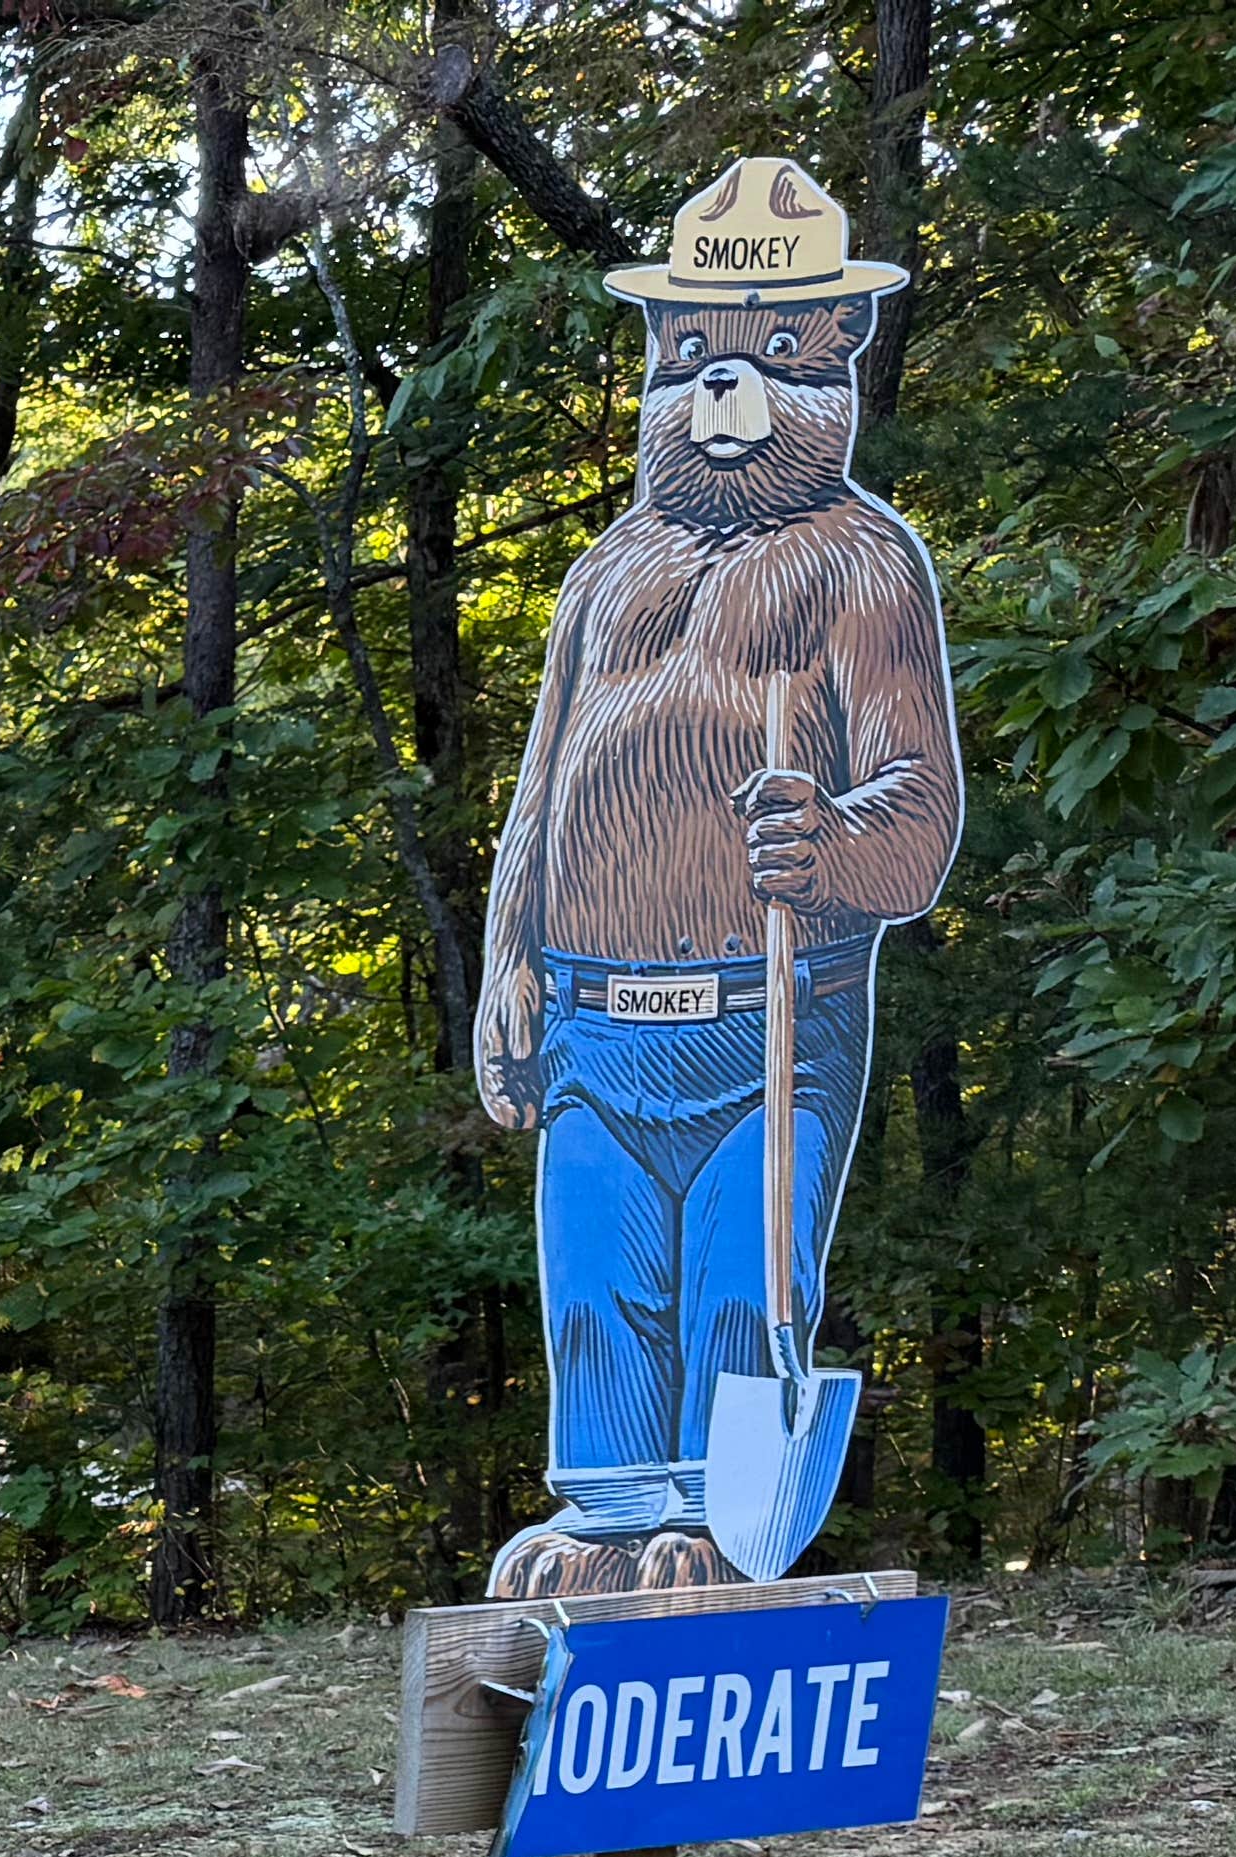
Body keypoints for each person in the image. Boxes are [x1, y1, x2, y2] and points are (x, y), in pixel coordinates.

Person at [473, 159, 963, 1595]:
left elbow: (920, 816)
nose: (723, 389)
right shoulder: (607, 572)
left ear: (838, 369)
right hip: (592, 1014)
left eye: (774, 356)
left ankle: (723, 1517)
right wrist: (510, 963)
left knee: (747, 1285)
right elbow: (539, 788)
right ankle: (610, 1513)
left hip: (769, 1017)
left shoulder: (864, 566)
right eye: (692, 357)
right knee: (598, 1276)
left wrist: (829, 845)